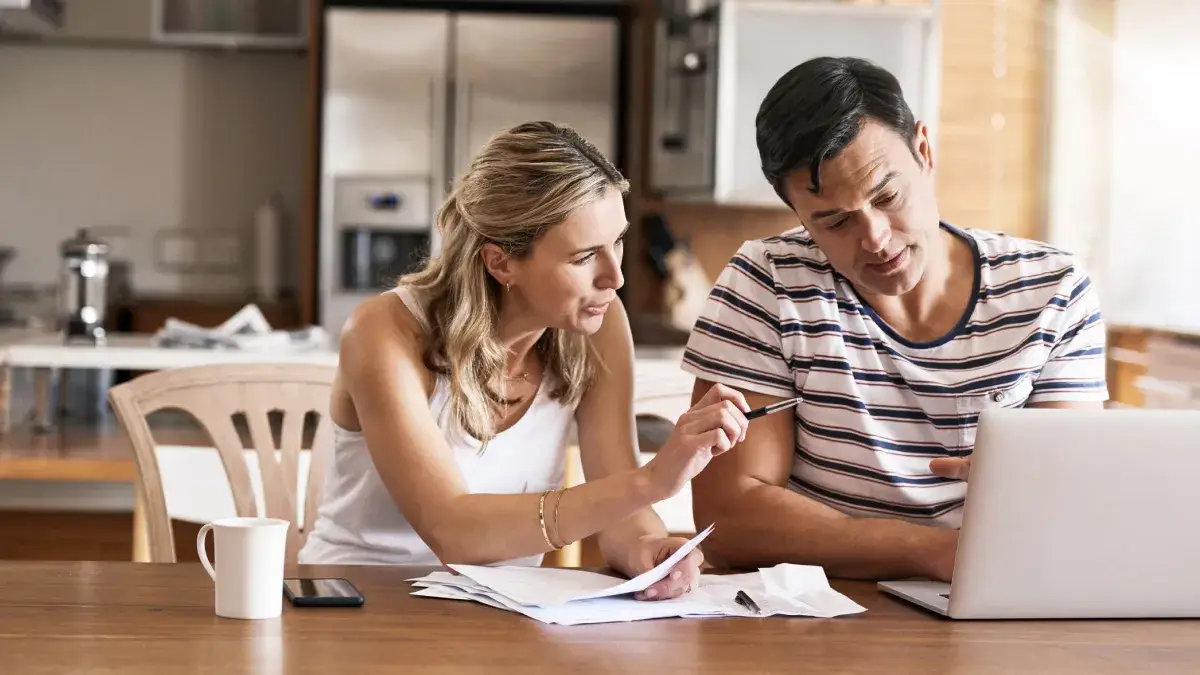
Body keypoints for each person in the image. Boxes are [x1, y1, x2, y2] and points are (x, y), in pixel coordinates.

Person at [683, 57, 1108, 582]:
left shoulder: (1052, 288)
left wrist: (1036, 491)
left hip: (997, 596)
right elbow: (731, 517)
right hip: (816, 609)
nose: (876, 239)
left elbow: (1071, 504)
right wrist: (931, 551)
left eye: (887, 196)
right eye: (835, 221)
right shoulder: (768, 282)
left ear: (924, 151)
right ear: (796, 214)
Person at [299, 121, 751, 601]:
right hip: (357, 603)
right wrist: (652, 481)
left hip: (496, 609)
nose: (615, 277)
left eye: (617, 242)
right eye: (584, 258)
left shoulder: (597, 325)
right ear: (501, 263)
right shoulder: (383, 331)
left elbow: (618, 504)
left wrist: (650, 547)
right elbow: (454, 532)